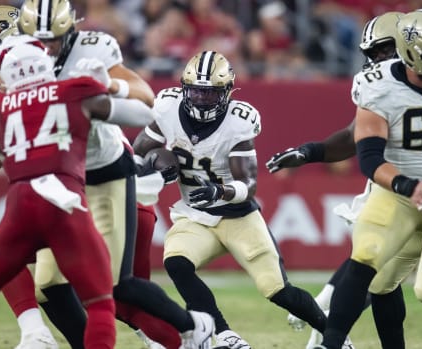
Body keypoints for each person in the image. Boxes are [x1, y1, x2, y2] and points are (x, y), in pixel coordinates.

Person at [0, 37, 164, 349]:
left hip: (23, 206)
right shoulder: (69, 90)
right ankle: (183, 332)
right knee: (101, 301)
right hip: (66, 203)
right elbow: (144, 115)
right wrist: (107, 86)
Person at [18, 1, 213, 349]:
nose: (45, 47)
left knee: (112, 283)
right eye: (37, 39)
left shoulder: (93, 50)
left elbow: (144, 97)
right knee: (47, 283)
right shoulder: (14, 56)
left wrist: (109, 85)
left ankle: (193, 325)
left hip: (104, 170)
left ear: (70, 31)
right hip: (60, 177)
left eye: (53, 39)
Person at [132, 50, 331, 349]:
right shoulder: (167, 106)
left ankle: (335, 334)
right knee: (176, 263)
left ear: (226, 92)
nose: (200, 99)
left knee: (278, 291)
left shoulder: (239, 121)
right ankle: (224, 334)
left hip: (238, 216)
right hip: (196, 214)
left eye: (209, 93)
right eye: (196, 91)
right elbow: (139, 150)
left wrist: (219, 190)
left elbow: (248, 184)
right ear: (185, 88)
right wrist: (153, 166)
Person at [266, 11, 419, 349]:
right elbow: (356, 136)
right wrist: (309, 152)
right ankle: (330, 334)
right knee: (375, 268)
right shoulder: (380, 86)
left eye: (384, 51)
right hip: (397, 186)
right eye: (374, 54)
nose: (378, 61)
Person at [314, 9, 422, 349]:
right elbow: (368, 157)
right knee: (367, 258)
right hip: (397, 190)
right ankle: (330, 343)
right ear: (413, 52)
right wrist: (406, 185)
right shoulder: (378, 85)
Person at [0, 6, 59, 349]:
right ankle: (37, 334)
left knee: (105, 277)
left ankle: (164, 331)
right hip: (40, 176)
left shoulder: (41, 61)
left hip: (77, 171)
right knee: (35, 270)